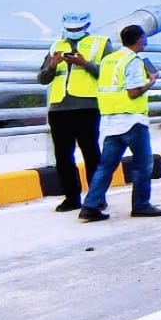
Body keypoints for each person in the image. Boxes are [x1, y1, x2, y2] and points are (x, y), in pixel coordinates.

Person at [79, 25, 161, 220]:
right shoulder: (133, 60)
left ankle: (90, 205)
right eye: (144, 38)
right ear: (139, 40)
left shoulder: (109, 60)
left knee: (106, 166)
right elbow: (133, 92)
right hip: (132, 120)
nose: (145, 42)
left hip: (111, 121)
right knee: (143, 164)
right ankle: (141, 204)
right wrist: (151, 81)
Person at [37, 12, 107, 212]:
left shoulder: (100, 43)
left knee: (91, 152)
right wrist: (52, 66)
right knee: (63, 155)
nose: (73, 33)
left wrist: (85, 64)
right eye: (70, 30)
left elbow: (109, 73)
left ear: (87, 26)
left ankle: (96, 197)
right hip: (59, 108)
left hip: (87, 106)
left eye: (76, 30)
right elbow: (41, 79)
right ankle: (71, 197)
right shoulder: (55, 46)